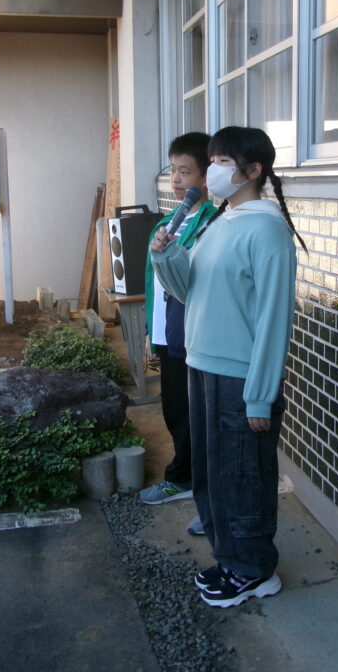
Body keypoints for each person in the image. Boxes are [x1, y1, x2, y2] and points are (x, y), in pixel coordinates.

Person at [151, 126, 306, 608]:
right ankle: (230, 559)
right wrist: (167, 256)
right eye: (213, 160)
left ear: (253, 170)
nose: (212, 170)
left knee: (242, 475)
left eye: (222, 162)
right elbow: (189, 290)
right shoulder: (222, 220)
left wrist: (260, 395)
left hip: (239, 377)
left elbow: (274, 320)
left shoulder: (267, 230)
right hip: (202, 365)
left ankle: (255, 571)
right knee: (213, 474)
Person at [138, 133, 218, 530]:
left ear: (206, 176)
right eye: (173, 170)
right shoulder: (165, 223)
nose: (176, 180)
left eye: (185, 171)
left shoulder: (211, 222)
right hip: (169, 333)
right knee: (174, 409)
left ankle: (196, 485)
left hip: (195, 335)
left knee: (197, 416)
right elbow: (153, 284)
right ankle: (186, 478)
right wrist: (151, 333)